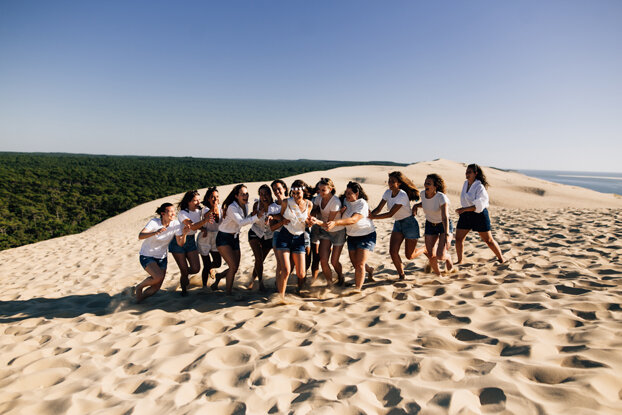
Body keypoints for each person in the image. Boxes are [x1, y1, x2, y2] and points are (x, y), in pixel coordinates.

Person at [370, 171, 425, 280]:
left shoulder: (402, 195)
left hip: (409, 224)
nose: (390, 183)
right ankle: (402, 275)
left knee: (410, 256)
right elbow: (379, 208)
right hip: (398, 224)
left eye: (393, 181)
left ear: (399, 183)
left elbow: (391, 214)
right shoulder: (387, 193)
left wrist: (374, 218)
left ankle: (425, 249)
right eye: (389, 181)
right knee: (393, 252)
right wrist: (370, 215)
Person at [325, 181, 375, 290]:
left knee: (359, 265)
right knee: (356, 263)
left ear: (356, 194)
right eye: (346, 192)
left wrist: (336, 223)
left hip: (366, 235)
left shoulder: (362, 204)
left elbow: (353, 220)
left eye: (349, 193)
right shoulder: (345, 201)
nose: (346, 195)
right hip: (352, 237)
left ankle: (357, 289)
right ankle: (370, 270)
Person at [214, 184, 264, 295]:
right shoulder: (232, 207)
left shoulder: (245, 205)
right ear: (236, 196)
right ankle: (228, 293)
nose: (245, 196)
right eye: (242, 194)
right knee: (232, 266)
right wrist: (256, 217)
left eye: (246, 193)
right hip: (224, 238)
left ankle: (219, 276)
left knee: (235, 268)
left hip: (235, 237)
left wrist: (252, 214)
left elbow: (244, 220)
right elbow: (241, 222)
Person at [135, 203, 190, 302]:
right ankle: (139, 287)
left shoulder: (176, 224)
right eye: (170, 211)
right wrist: (155, 232)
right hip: (147, 255)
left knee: (156, 288)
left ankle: (140, 300)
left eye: (174, 211)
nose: (173, 214)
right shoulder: (154, 222)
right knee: (158, 277)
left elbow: (180, 243)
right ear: (163, 213)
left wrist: (184, 234)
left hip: (162, 257)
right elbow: (140, 235)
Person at [455, 164, 505, 264]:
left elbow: (479, 206)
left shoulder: (480, 187)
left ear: (475, 173)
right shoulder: (465, 184)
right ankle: (460, 260)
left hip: (479, 215)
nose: (467, 174)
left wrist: (464, 209)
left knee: (488, 240)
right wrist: (464, 210)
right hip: (466, 214)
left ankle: (501, 259)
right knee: (458, 239)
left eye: (469, 172)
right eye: (466, 172)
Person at [274, 179, 314, 297]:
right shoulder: (286, 202)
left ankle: (294, 287)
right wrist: (280, 220)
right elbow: (281, 215)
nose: (295, 195)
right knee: (286, 270)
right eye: (294, 193)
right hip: (285, 237)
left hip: (299, 238)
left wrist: (309, 223)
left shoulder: (309, 204)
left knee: (301, 273)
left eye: (298, 193)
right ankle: (280, 297)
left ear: (303, 192)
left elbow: (306, 220)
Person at [170, 190, 213, 296]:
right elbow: (192, 226)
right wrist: (204, 222)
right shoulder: (183, 213)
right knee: (184, 269)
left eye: (199, 200)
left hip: (190, 240)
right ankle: (183, 290)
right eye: (195, 200)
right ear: (188, 201)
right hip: (178, 240)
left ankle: (184, 275)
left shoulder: (199, 210)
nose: (198, 202)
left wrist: (202, 228)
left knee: (195, 268)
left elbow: (196, 226)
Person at [413, 174, 453, 276]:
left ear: (435, 186)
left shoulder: (441, 197)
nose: (426, 185)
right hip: (430, 224)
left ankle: (448, 257)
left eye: (429, 183)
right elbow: (426, 204)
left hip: (443, 225)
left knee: (440, 255)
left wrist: (447, 235)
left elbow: (445, 217)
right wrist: (416, 206)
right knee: (431, 255)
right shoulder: (422, 194)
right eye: (425, 182)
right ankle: (438, 275)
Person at [309, 177, 346, 286]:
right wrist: (312, 215)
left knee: (334, 261)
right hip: (324, 232)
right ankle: (330, 284)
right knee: (323, 260)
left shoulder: (335, 202)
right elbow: (314, 209)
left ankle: (340, 276)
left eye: (323, 190)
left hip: (338, 232)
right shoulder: (318, 198)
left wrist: (316, 221)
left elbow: (329, 224)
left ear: (330, 189)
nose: (320, 192)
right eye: (319, 189)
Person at [247, 184, 279, 291]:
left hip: (269, 236)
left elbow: (276, 223)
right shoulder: (256, 205)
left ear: (270, 195)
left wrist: (272, 218)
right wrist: (255, 214)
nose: (264, 196)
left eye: (266, 194)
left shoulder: (275, 207)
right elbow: (252, 218)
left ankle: (252, 280)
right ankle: (260, 283)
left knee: (260, 260)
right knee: (259, 258)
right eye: (261, 194)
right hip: (255, 233)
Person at [197, 187, 222, 287]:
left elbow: (220, 220)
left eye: (217, 197)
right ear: (208, 198)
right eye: (212, 197)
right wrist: (214, 207)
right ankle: (204, 286)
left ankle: (210, 269)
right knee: (206, 265)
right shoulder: (205, 209)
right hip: (205, 238)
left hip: (216, 236)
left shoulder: (221, 208)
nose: (215, 199)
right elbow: (208, 215)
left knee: (218, 262)